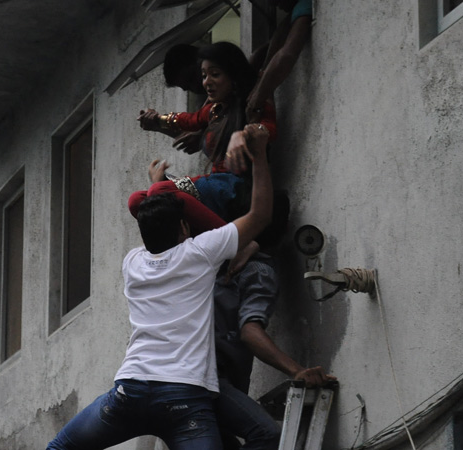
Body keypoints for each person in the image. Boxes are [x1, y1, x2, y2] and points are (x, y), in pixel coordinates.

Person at [46, 123, 274, 450]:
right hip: (185, 398)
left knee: (59, 448)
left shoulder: (132, 262)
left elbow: (149, 218)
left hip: (130, 392)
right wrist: (262, 154)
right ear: (185, 228)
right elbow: (261, 215)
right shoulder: (199, 253)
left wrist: (156, 189)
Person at [213, 201, 337, 450]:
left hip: (168, 381)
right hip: (210, 381)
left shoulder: (201, 259)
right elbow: (249, 331)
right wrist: (296, 370)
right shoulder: (257, 269)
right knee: (268, 437)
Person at [133, 42, 277, 230]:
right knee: (137, 201)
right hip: (213, 184)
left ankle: (236, 242)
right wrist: (158, 119)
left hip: (234, 189)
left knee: (159, 189)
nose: (206, 82)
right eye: (203, 76)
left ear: (232, 74)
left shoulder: (251, 106)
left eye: (215, 75)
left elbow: (267, 129)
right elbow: (189, 120)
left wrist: (243, 134)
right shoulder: (214, 110)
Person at [245, 0, 313, 124]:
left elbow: (286, 55)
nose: (273, 4)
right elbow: (274, 42)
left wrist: (257, 100)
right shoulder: (292, 15)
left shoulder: (305, 6)